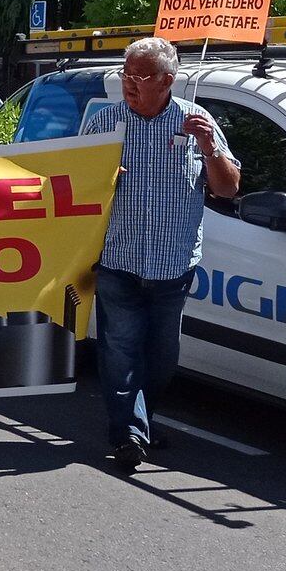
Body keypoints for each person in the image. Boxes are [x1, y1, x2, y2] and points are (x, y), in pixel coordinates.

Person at [80, 37, 240, 470]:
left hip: (173, 266)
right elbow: (75, 189)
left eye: (141, 76)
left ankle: (141, 422)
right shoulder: (103, 123)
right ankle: (129, 435)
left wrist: (208, 149)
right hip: (119, 261)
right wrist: (101, 180)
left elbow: (227, 188)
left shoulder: (197, 120)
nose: (130, 84)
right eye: (125, 74)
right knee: (119, 351)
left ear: (168, 80)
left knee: (162, 358)